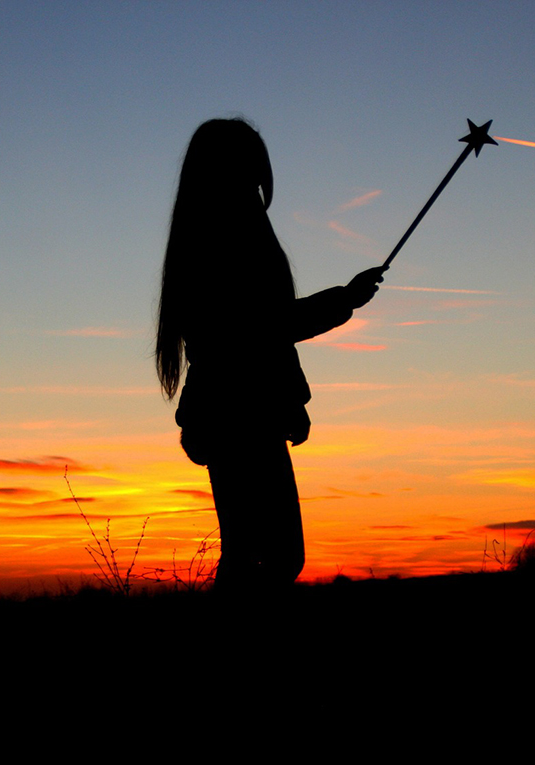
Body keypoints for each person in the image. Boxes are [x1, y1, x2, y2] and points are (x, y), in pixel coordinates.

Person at [156, 117, 386, 594]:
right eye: (251, 169)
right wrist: (344, 299)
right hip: (241, 416)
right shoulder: (225, 235)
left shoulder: (205, 233)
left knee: (253, 554)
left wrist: (289, 406)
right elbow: (264, 328)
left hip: (231, 414)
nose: (259, 182)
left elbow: (263, 334)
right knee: (272, 556)